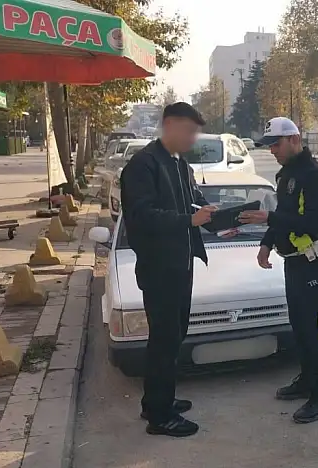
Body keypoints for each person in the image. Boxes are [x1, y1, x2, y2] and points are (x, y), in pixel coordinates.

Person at [119, 102, 217, 437]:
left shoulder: (179, 164)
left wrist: (214, 214)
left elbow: (193, 200)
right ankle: (160, 417)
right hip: (159, 268)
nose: (193, 138)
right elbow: (142, 216)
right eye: (190, 131)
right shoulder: (143, 165)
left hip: (181, 264)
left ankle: (159, 400)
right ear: (171, 125)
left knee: (174, 337)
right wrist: (189, 220)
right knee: (162, 341)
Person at [238, 116, 318, 424]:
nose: (272, 151)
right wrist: (267, 243)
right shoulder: (286, 175)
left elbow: (310, 222)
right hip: (294, 262)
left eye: (276, 144)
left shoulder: (314, 176)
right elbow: (283, 214)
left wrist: (268, 220)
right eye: (268, 146)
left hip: (315, 263)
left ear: (294, 139)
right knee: (300, 327)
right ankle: (308, 380)